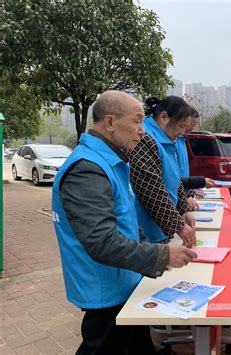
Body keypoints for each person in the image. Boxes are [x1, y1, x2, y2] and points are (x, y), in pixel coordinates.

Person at [52, 90, 197, 355]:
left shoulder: (114, 161)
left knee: (135, 344)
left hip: (123, 276)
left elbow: (128, 217)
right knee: (104, 345)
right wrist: (161, 255)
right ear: (109, 123)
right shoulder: (87, 169)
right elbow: (102, 241)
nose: (142, 131)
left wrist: (151, 249)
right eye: (137, 121)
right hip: (104, 285)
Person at [128, 96, 197, 245]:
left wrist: (184, 210)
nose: (182, 132)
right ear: (164, 117)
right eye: (180, 126)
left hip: (159, 227)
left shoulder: (166, 139)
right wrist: (178, 226)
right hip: (145, 231)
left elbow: (175, 179)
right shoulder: (144, 138)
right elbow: (151, 190)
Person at [175, 107, 215, 210]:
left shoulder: (183, 140)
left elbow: (184, 173)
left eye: (195, 124)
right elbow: (172, 178)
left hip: (182, 191)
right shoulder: (172, 141)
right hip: (176, 197)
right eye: (191, 123)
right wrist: (185, 197)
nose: (192, 128)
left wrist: (191, 189)